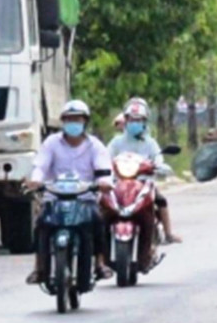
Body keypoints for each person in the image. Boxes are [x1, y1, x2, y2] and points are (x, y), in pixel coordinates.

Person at [24, 99, 113, 283]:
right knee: (42, 224)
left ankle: (100, 263)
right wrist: (35, 180)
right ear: (63, 122)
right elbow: (40, 165)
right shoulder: (51, 143)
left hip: (85, 198)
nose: (73, 123)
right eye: (69, 119)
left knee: (98, 221)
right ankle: (39, 267)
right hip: (55, 198)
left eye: (77, 119)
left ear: (85, 122)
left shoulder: (95, 145)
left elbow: (104, 169)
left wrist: (104, 183)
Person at [107, 97, 181, 245]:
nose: (135, 123)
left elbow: (158, 160)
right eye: (131, 119)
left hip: (144, 184)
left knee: (160, 200)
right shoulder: (116, 142)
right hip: (118, 184)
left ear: (144, 122)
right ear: (126, 120)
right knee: (103, 205)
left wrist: (159, 167)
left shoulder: (150, 143)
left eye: (138, 120)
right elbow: (105, 159)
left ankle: (168, 233)